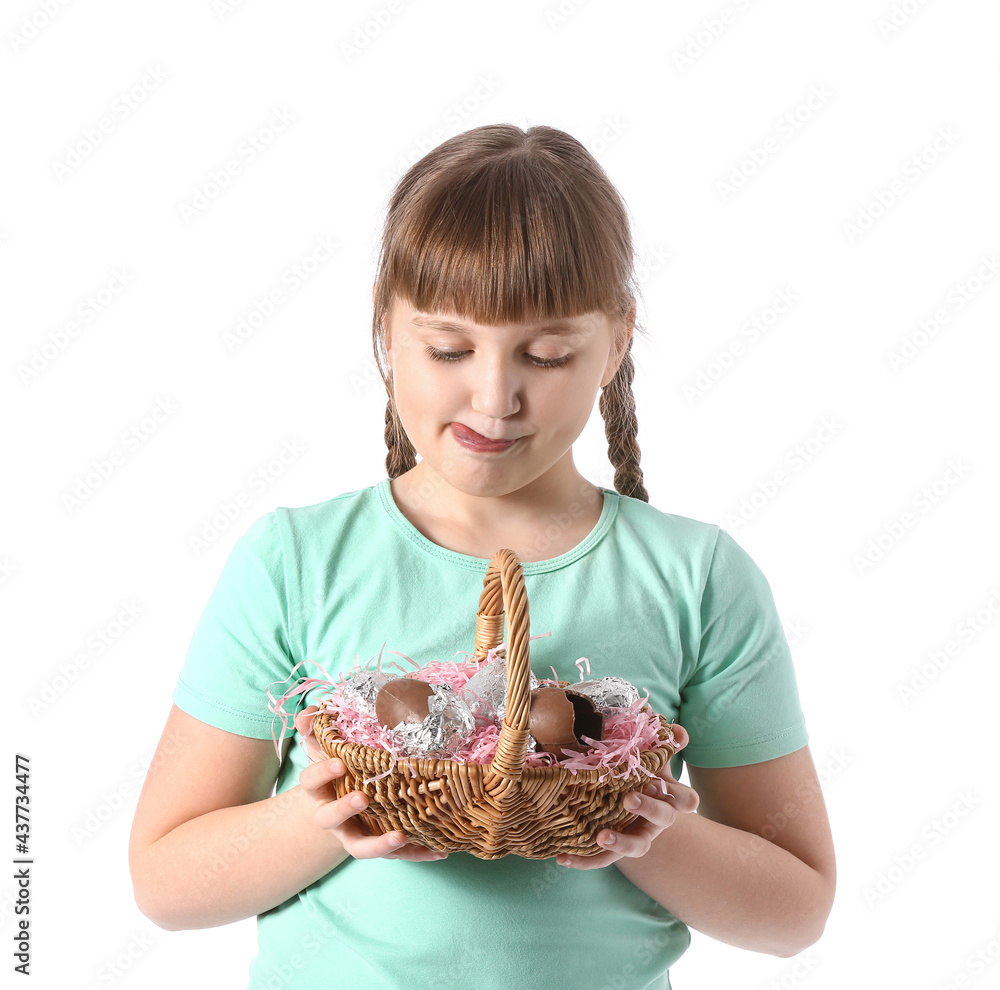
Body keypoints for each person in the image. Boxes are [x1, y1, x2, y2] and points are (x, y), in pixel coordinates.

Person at [129, 123, 835, 989]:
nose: (495, 396)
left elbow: (797, 911)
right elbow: (165, 882)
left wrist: (648, 831)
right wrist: (319, 819)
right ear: (386, 326)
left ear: (617, 342)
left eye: (546, 355)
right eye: (450, 350)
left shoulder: (698, 578)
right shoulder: (296, 561)